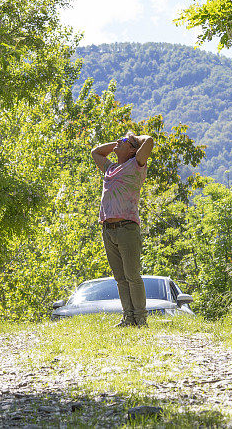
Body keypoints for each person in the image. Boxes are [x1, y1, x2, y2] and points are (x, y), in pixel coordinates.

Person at [91, 132, 155, 327]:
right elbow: (95, 152)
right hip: (108, 229)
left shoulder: (136, 164)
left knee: (132, 276)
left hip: (127, 227)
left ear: (133, 150)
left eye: (124, 142)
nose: (119, 142)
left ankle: (140, 319)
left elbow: (150, 141)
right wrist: (120, 143)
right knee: (120, 278)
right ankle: (128, 317)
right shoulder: (110, 168)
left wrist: (132, 138)